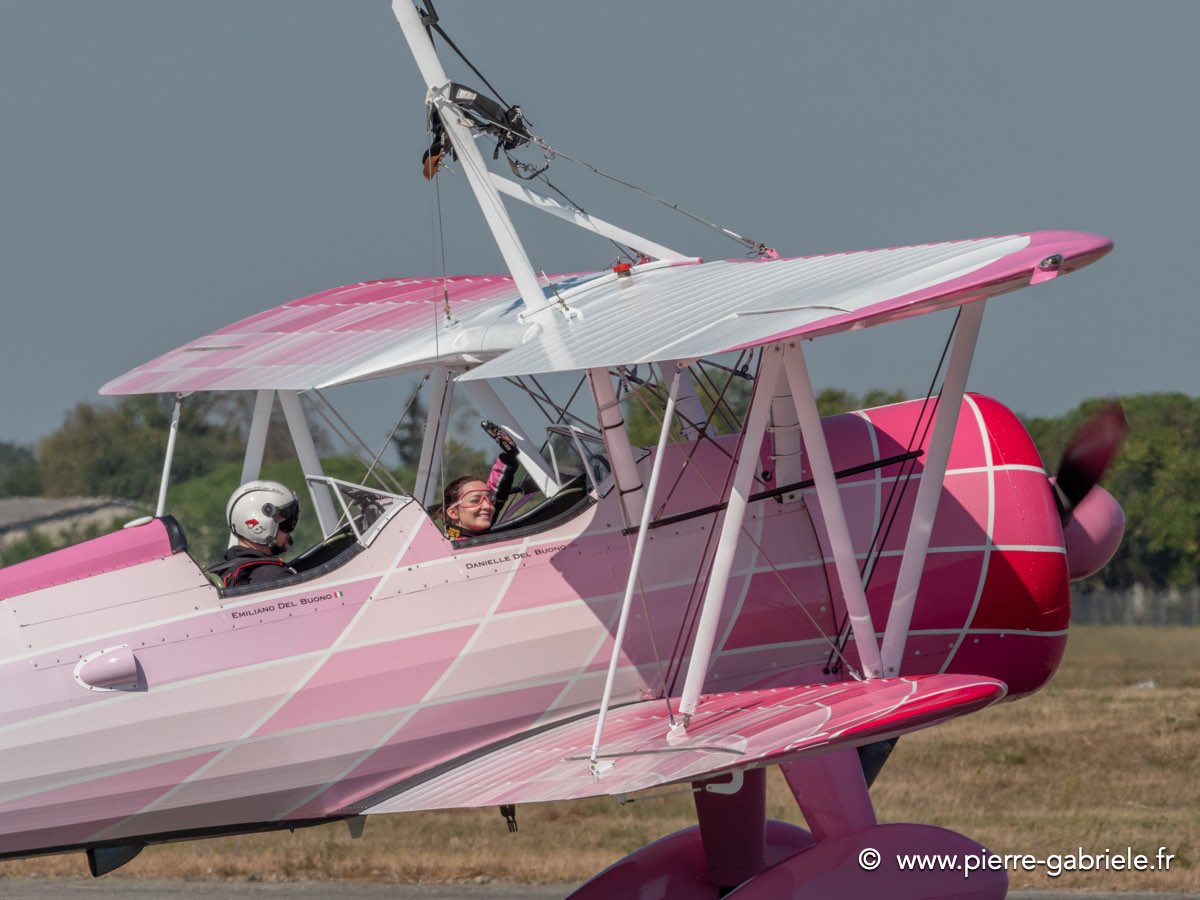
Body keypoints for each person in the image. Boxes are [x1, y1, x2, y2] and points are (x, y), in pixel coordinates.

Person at [208, 480, 301, 587]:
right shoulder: (275, 577)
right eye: (286, 524)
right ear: (261, 526)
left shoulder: (221, 573)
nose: (289, 532)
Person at [443, 422, 520, 541]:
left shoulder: (467, 534)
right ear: (453, 513)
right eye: (475, 500)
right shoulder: (451, 546)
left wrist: (509, 458)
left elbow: (497, 491)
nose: (487, 506)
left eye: (489, 499)